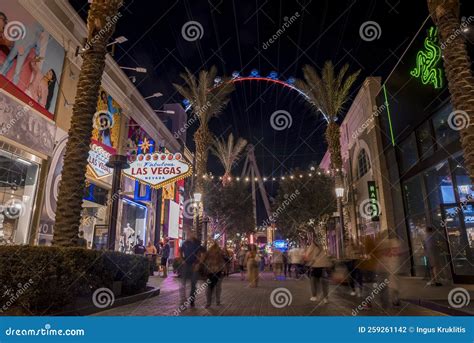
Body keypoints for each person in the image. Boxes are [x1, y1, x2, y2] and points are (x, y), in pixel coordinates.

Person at [180, 234, 204, 307]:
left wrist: (199, 263)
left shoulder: (197, 244)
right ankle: (183, 300)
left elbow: (204, 253)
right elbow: (180, 251)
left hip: (194, 266)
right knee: (183, 283)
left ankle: (192, 300)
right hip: (186, 265)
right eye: (189, 234)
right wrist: (182, 260)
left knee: (193, 284)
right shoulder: (185, 243)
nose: (190, 235)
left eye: (192, 234)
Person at [304, 239, 331, 303]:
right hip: (324, 266)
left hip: (315, 266)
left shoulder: (312, 246)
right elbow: (326, 257)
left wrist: (307, 261)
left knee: (313, 282)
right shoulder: (322, 247)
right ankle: (325, 298)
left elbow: (307, 256)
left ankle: (314, 296)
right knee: (324, 283)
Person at [203, 242, 226, 308]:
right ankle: (217, 301)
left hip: (210, 272)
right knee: (218, 287)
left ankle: (208, 303)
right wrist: (224, 270)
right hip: (218, 272)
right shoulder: (219, 253)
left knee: (209, 287)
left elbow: (204, 262)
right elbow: (223, 262)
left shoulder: (208, 253)